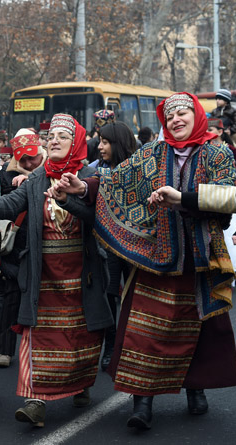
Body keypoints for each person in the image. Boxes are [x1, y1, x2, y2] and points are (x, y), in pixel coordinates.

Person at [56, 92, 236, 430]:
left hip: (200, 258)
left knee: (199, 328)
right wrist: (82, 187)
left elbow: (227, 199)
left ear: (196, 115)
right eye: (170, 117)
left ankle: (195, 388)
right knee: (143, 332)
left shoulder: (219, 154)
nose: (175, 121)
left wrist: (182, 199)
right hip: (155, 257)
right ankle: (142, 404)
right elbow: (114, 180)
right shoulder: (151, 153)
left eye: (183, 113)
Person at [0, 113, 111, 428]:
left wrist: (70, 200)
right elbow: (8, 206)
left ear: (76, 141)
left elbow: (96, 218)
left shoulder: (91, 177)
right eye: (52, 136)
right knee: (38, 336)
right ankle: (35, 402)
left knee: (79, 337)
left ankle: (81, 384)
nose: (56, 140)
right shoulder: (37, 179)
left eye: (64, 136)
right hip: (41, 274)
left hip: (81, 273)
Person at [0, 130, 47, 369]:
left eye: (32, 158)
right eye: (22, 159)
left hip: (45, 244)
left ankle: (44, 350)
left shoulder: (52, 171)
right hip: (16, 246)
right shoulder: (4, 175)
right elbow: (3, 205)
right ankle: (5, 350)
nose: (27, 163)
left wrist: (34, 181)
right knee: (10, 297)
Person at [87, 122, 137, 371]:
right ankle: (111, 347)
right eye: (99, 141)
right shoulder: (95, 170)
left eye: (105, 142)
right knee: (109, 296)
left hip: (137, 249)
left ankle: (131, 348)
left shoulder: (141, 170)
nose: (100, 147)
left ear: (118, 143)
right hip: (107, 248)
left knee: (134, 297)